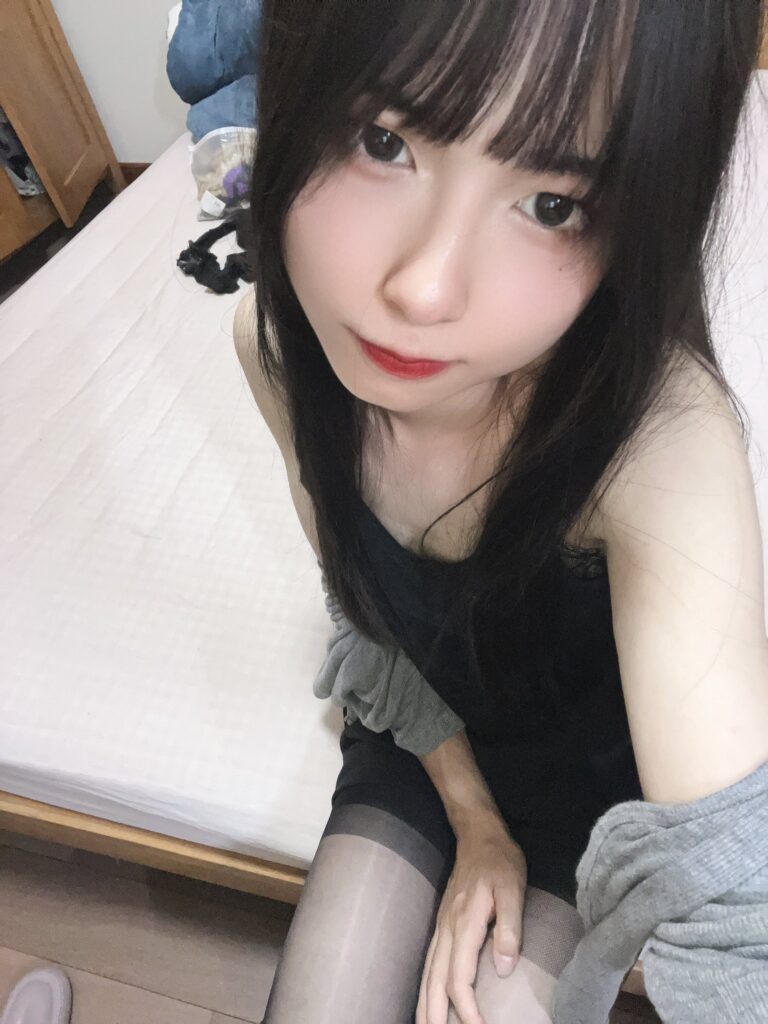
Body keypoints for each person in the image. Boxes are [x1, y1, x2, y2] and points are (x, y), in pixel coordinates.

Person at [233, 2, 768, 1022]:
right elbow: (368, 612)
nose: (425, 289)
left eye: (552, 204)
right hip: (428, 732)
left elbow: (743, 907)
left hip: (596, 795)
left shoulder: (657, 443)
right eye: (382, 140)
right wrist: (473, 819)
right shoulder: (275, 350)